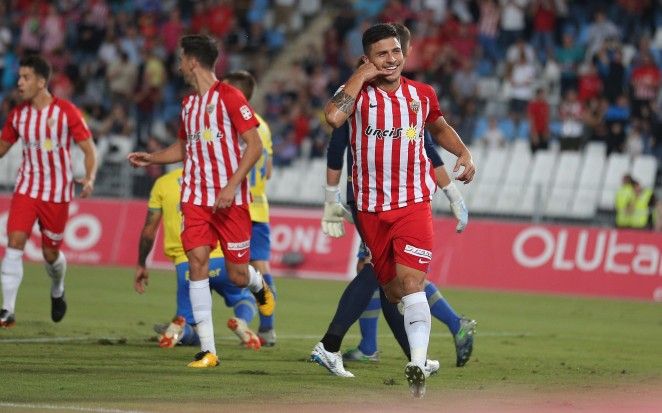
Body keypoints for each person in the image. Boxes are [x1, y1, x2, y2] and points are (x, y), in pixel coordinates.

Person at [320, 23, 475, 397]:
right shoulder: (358, 95)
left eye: (395, 52)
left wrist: (464, 153)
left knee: (412, 282)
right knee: (392, 292)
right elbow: (333, 118)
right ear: (368, 59)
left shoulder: (421, 94)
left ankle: (418, 362)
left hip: (413, 203)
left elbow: (437, 130)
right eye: (381, 54)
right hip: (370, 210)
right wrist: (361, 74)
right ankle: (412, 351)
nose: (391, 59)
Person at [127, 35, 274, 368]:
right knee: (197, 264)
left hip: (230, 201)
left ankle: (257, 284)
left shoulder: (231, 97)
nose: (178, 65)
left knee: (237, 275)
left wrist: (232, 185)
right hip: (194, 198)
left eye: (181, 59)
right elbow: (183, 148)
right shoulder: (187, 105)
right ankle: (209, 351)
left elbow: (254, 146)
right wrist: (152, 158)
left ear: (192, 61)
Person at [0, 55, 98, 328]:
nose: (19, 82)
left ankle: (57, 288)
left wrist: (89, 178)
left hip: (57, 193)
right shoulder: (18, 115)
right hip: (27, 188)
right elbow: (2, 147)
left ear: (42, 82)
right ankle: (7, 310)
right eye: (19, 77)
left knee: (50, 254)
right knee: (15, 242)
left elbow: (89, 150)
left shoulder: (66, 112)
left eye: (26, 77)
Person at [134, 167, 261, 350]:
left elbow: (148, 231)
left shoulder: (163, 184)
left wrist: (141, 263)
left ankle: (179, 330)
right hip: (220, 258)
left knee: (191, 325)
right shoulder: (215, 178)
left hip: (187, 263)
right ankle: (241, 321)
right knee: (245, 298)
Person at [222, 70, 277, 347]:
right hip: (259, 205)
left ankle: (187, 322)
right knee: (260, 268)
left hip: (235, 205)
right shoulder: (263, 126)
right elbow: (267, 171)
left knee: (200, 262)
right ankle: (268, 328)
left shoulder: (234, 124)